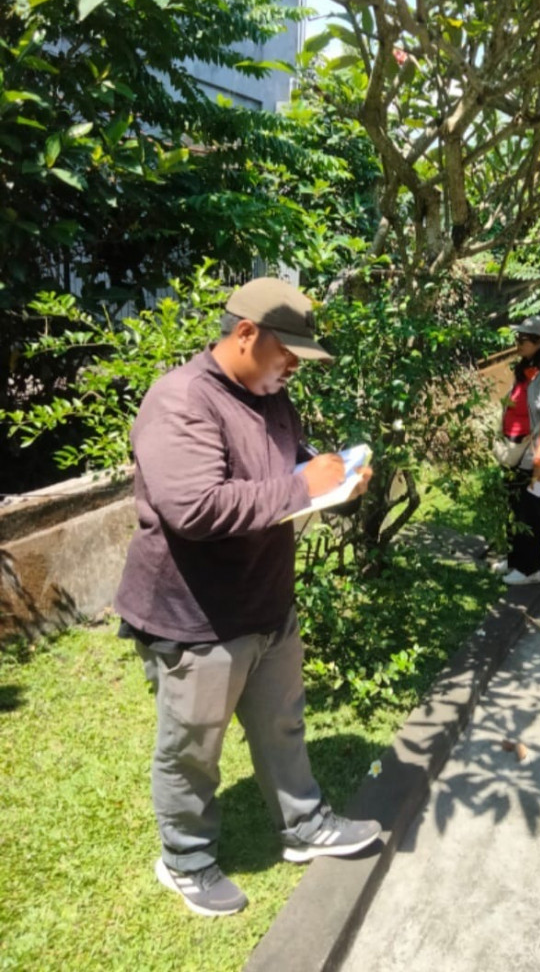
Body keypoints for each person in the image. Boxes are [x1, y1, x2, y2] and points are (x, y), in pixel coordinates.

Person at [115, 277, 380, 917]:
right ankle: (185, 859)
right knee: (192, 750)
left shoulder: (270, 396)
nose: (293, 367)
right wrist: (300, 488)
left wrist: (336, 474)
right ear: (244, 335)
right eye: (285, 354)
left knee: (282, 724)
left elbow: (288, 462)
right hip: (195, 617)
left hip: (267, 605)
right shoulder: (180, 401)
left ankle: (303, 826)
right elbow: (193, 508)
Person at [493, 315, 540, 586]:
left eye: (523, 339)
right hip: (517, 452)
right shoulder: (528, 369)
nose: (518, 343)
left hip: (535, 457)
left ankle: (530, 569)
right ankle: (515, 560)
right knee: (516, 509)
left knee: (530, 512)